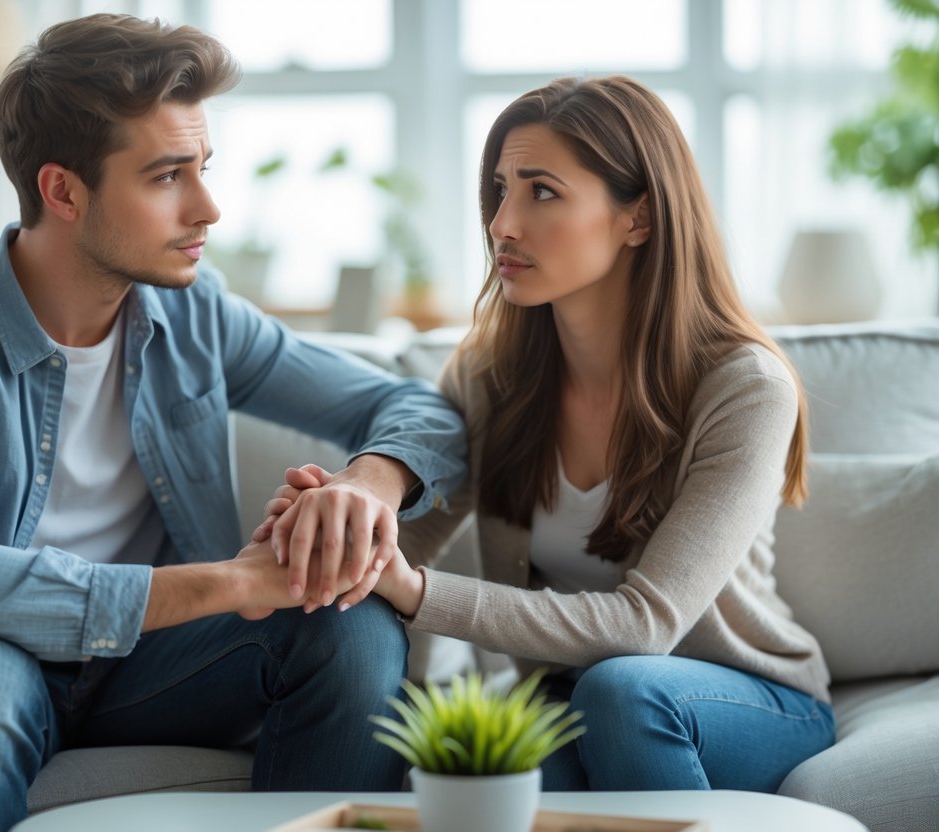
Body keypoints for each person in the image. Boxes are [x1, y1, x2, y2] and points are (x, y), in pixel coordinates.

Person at [0, 13, 467, 832]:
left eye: (203, 168)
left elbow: (418, 407)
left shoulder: (194, 314)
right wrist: (234, 583)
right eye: (168, 176)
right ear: (62, 189)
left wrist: (365, 485)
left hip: (145, 665)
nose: (208, 208)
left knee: (351, 628)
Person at [261, 76, 835, 793]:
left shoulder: (743, 386)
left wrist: (414, 590)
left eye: (541, 192)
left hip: (740, 699)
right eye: (499, 190)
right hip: (570, 702)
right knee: (478, 767)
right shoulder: (489, 378)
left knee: (624, 691)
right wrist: (331, 533)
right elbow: (404, 547)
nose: (502, 223)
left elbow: (643, 627)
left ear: (639, 218)